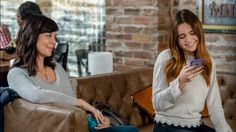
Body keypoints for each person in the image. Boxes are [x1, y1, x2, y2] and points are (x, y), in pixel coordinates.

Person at [7, 14, 137, 132]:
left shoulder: (57, 67)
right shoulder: (16, 74)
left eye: (55, 36)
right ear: (32, 36)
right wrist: (81, 102)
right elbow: (37, 95)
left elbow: (71, 104)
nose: (54, 42)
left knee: (130, 130)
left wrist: (98, 118)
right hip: (56, 128)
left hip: (78, 125)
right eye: (48, 36)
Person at [152, 9, 232, 132]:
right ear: (176, 39)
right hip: (167, 125)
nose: (188, 40)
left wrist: (225, 130)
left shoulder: (208, 61)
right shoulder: (165, 57)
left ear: (199, 32)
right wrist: (180, 81)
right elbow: (157, 104)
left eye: (192, 33)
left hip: (195, 125)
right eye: (182, 36)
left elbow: (214, 104)